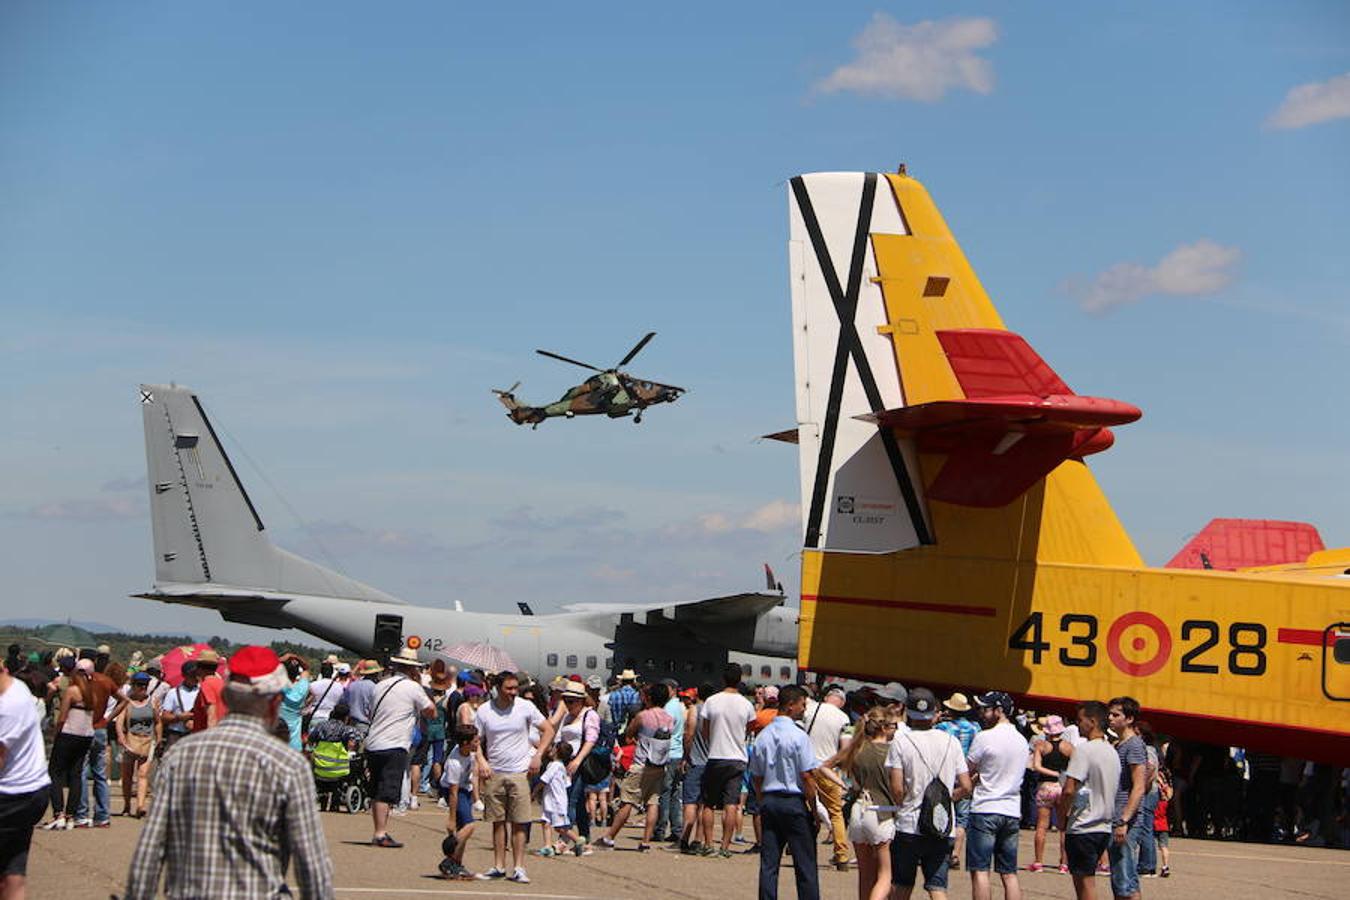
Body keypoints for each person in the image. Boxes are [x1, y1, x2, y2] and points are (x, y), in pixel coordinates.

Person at [124, 646, 333, 899]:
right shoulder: (288, 764)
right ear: (274, 701)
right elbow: (310, 861)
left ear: (229, 696)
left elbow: (152, 846)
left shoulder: (181, 755)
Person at [887, 688, 972, 900]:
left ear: (908, 711)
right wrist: (946, 799)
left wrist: (902, 804)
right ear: (935, 712)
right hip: (942, 824)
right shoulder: (950, 742)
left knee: (901, 884)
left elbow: (897, 787)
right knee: (937, 886)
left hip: (909, 822)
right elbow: (967, 786)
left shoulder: (901, 741)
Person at [474, 670, 555, 884]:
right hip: (495, 771)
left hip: (520, 771)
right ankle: (499, 865)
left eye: (515, 688)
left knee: (520, 822)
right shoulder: (484, 711)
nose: (512, 692)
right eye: (508, 688)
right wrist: (482, 761)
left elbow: (548, 729)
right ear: (497, 689)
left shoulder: (525, 707)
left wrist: (538, 755)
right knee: (497, 822)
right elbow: (475, 740)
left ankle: (519, 866)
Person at [749, 685, 820, 900]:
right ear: (791, 705)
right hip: (793, 801)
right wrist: (814, 810)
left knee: (769, 863)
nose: (804, 709)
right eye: (802, 704)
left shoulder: (763, 736)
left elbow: (757, 776)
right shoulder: (799, 737)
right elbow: (807, 776)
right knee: (805, 863)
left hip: (770, 800)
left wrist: (762, 801)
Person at [365, 650, 436, 848]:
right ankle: (380, 832)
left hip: (374, 742)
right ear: (413, 668)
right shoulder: (413, 688)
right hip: (395, 743)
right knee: (387, 790)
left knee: (377, 789)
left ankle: (379, 830)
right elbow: (431, 711)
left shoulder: (379, 685)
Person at [824, 706, 894, 900]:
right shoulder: (891, 751)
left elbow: (824, 767)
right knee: (886, 874)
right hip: (882, 811)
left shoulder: (857, 748)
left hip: (858, 809)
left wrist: (845, 786)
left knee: (865, 874)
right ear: (884, 727)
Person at [596, 682, 675, 852]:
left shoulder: (643, 716)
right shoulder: (669, 718)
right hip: (659, 766)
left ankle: (609, 837)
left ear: (649, 698)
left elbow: (629, 734)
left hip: (641, 765)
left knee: (627, 802)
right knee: (653, 802)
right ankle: (646, 841)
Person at [965, 691, 1026, 900]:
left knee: (980, 870)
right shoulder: (1021, 740)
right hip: (1011, 809)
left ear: (998, 711)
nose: (982, 713)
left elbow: (968, 769)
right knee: (1009, 873)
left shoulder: (984, 737)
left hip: (985, 807)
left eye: (985, 709)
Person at [0, 655, 51, 900]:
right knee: (13, 869)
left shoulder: (6, 708)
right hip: (34, 790)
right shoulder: (18, 688)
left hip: (12, 796)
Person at [1060, 701, 1122, 900]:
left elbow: (1069, 789)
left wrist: (1062, 817)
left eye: (1080, 720)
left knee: (1084, 884)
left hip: (1083, 825)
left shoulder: (1085, 751)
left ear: (1093, 721)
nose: (1077, 725)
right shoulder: (1111, 751)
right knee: (1088, 880)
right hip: (1103, 826)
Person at [699, 663, 756, 857]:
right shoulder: (747, 704)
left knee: (708, 803)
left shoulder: (712, 701)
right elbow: (748, 729)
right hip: (738, 757)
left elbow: (705, 731)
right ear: (739, 680)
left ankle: (708, 843)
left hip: (716, 755)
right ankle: (725, 846)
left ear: (722, 679)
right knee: (732, 803)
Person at [804, 684, 852, 871]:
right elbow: (846, 748)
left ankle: (800, 846)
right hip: (828, 771)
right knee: (835, 813)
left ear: (827, 697)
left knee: (806, 807)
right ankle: (841, 855)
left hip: (806, 767)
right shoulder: (844, 718)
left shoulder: (810, 709)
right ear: (842, 702)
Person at [44, 659, 96, 830]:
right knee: (76, 774)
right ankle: (71, 815)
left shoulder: (72, 691)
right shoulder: (91, 693)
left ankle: (58, 812)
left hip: (69, 733)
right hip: (86, 735)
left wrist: (56, 733)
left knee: (55, 772)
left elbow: (63, 716)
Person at [1107, 697, 1148, 900]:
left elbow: (1139, 786)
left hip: (1126, 820)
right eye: (1110, 714)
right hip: (1115, 816)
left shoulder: (1134, 745)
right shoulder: (1118, 744)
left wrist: (1124, 820)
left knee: (1126, 879)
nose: (1111, 718)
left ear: (1129, 718)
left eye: (1116, 715)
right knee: (1119, 878)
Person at [550, 680, 598, 839]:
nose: (567, 704)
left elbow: (591, 740)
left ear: (581, 700)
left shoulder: (590, 715)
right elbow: (558, 735)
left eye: (571, 701)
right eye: (565, 700)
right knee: (577, 803)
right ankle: (584, 837)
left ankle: (564, 839)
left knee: (569, 800)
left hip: (580, 762)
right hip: (564, 762)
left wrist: (578, 760)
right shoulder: (567, 716)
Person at [936, 692, 980, 870]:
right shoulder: (975, 728)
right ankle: (955, 854)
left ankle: (941, 850)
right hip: (966, 776)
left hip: (945, 776)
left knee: (942, 813)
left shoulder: (943, 728)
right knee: (962, 819)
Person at [1029, 714, 1073, 873]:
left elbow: (1036, 766)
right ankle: (1064, 863)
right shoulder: (1068, 747)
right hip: (1062, 787)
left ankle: (1038, 862)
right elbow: (1075, 767)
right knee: (1063, 827)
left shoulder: (1040, 745)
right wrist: (1061, 775)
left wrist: (1052, 773)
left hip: (1045, 786)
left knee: (1041, 825)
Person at [438, 725, 480, 880]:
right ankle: (449, 856)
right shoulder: (454, 763)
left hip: (464, 789)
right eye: (475, 741)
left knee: (464, 828)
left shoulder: (470, 752)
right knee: (470, 825)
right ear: (464, 743)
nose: (478, 744)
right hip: (453, 790)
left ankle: (456, 863)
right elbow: (453, 793)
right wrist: (451, 819)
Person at [536, 742, 589, 856]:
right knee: (546, 822)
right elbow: (567, 783)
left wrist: (534, 792)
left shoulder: (555, 766)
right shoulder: (559, 766)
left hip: (556, 802)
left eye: (553, 748)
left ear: (556, 751)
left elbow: (544, 780)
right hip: (550, 800)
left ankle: (578, 840)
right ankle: (547, 846)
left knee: (560, 827)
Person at [115, 673, 156, 818]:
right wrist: (121, 737)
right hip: (130, 741)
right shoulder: (127, 702)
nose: (143, 688)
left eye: (145, 685)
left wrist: (156, 740)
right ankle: (127, 805)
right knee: (127, 775)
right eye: (139, 685)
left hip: (146, 741)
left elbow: (158, 721)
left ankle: (140, 805)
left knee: (143, 774)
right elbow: (119, 722)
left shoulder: (153, 702)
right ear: (133, 686)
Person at [678, 684, 712, 854]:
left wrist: (685, 755)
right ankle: (699, 839)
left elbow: (689, 733)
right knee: (704, 803)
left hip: (696, 760)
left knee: (690, 802)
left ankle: (685, 837)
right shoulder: (715, 712)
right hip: (711, 761)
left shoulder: (695, 710)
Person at [652, 677, 686, 844]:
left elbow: (664, 731)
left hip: (668, 753)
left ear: (671, 690)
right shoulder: (679, 706)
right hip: (677, 752)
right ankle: (676, 829)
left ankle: (660, 829)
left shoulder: (669, 708)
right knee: (673, 793)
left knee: (663, 793)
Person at [155, 661, 201, 758]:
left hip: (196, 736)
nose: (196, 677)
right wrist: (179, 717)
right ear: (184, 675)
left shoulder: (202, 691)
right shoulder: (173, 693)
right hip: (176, 736)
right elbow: (164, 717)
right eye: (192, 675)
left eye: (197, 674)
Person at [277, 653, 311, 750]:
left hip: (276, 742)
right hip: (294, 744)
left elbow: (267, 669)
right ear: (297, 673)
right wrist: (297, 658)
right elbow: (307, 669)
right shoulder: (302, 688)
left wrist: (282, 659)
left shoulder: (279, 686)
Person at [340, 659, 383, 731]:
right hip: (365, 725)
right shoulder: (375, 688)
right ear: (376, 674)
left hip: (350, 724)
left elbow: (343, 703)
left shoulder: (352, 685)